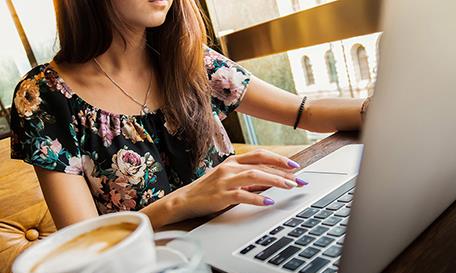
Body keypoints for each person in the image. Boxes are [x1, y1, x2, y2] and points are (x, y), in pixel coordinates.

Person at [10, 0, 366, 229]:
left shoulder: (189, 59)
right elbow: (84, 245)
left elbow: (304, 111)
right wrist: (183, 202)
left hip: (245, 235)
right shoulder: (44, 96)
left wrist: (378, 108)